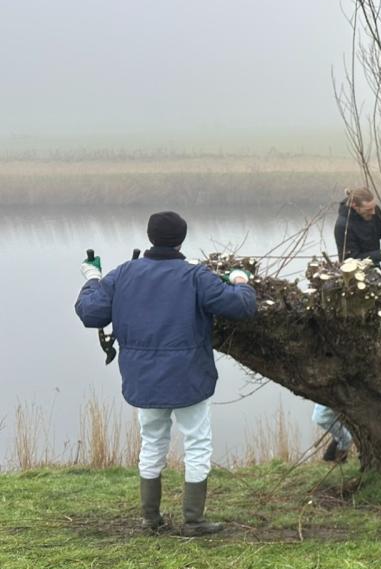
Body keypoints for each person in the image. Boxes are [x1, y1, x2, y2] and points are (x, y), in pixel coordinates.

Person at [75, 211, 257, 536]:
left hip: (143, 379)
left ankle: (150, 519)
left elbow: (91, 313)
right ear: (181, 239)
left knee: (152, 442)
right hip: (190, 378)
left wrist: (92, 278)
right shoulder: (196, 276)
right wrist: (241, 280)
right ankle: (194, 521)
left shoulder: (122, 275)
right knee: (197, 443)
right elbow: (240, 306)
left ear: (150, 236)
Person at [316, 187, 381, 463]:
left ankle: (377, 337)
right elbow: (350, 260)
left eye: (374, 208)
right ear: (355, 206)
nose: (372, 212)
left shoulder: (374, 213)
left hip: (376, 272)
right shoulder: (343, 225)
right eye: (368, 209)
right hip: (356, 279)